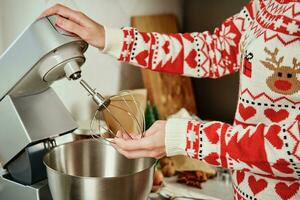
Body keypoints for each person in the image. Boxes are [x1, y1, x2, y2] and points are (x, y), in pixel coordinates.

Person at [41, 1, 300, 199]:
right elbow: (215, 50)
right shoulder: (270, 5)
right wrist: (108, 38)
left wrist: (184, 138)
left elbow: (294, 146)